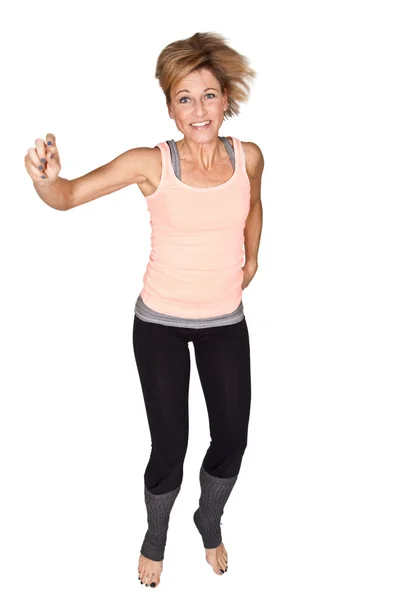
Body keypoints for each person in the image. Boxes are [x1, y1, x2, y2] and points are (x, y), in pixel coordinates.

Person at [24, 31, 264, 589]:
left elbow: (255, 206)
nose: (198, 109)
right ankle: (157, 533)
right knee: (171, 444)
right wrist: (45, 179)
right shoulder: (149, 163)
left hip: (224, 321)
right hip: (158, 323)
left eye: (208, 95)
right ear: (170, 108)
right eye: (184, 98)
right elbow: (66, 197)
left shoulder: (248, 156)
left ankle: (210, 519)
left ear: (227, 98)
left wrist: (253, 259)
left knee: (233, 438)